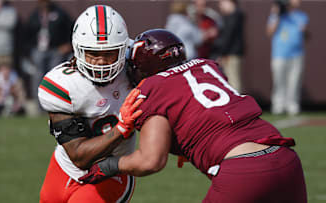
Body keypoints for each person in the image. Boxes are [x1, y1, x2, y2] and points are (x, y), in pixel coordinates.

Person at [81, 29, 307, 203]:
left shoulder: (152, 87)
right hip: (286, 159)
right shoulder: (208, 67)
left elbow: (151, 161)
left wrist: (110, 165)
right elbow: (213, 111)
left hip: (244, 172)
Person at [37, 5, 143, 203]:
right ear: (78, 50)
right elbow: (79, 156)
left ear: (123, 50)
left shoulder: (138, 68)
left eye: (109, 53)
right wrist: (122, 128)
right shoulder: (62, 85)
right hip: (65, 166)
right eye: (93, 54)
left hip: (114, 171)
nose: (101, 62)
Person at [24, 0, 73, 111]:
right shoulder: (35, 15)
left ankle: (55, 106)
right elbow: (27, 34)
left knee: (55, 76)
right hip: (39, 50)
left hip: (56, 50)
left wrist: (68, 44)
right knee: (37, 76)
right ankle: (39, 107)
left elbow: (71, 28)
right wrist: (30, 50)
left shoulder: (60, 13)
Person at [266, 0, 309, 115]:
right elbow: (269, 32)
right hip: (279, 54)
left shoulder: (301, 16)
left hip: (297, 54)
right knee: (279, 81)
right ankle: (278, 105)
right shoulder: (276, 15)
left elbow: (306, 35)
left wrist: (304, 31)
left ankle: (292, 105)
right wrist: (277, 15)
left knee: (294, 81)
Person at [213, 0, 244, 93]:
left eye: (222, 2)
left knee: (233, 81)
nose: (220, 6)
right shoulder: (232, 17)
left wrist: (222, 54)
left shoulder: (234, 16)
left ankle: (237, 104)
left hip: (230, 54)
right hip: (230, 53)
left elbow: (228, 37)